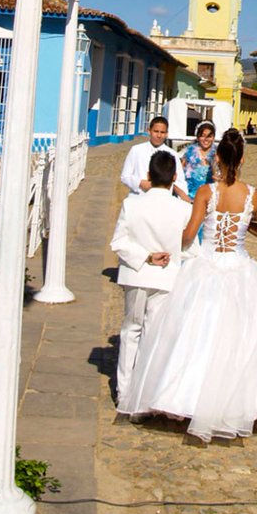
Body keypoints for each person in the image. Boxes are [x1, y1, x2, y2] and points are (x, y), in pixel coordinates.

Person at [119, 129, 257, 440]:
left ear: (219, 159)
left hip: (207, 264)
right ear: (243, 158)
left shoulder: (206, 193)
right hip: (239, 265)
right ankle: (239, 403)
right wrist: (241, 224)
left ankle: (185, 398)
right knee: (240, 337)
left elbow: (189, 235)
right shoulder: (253, 195)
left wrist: (178, 244)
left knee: (196, 333)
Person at [110, 150, 194, 402]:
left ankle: (124, 390)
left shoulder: (132, 204)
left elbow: (118, 242)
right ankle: (147, 391)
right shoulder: (182, 209)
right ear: (174, 177)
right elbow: (190, 249)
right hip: (167, 278)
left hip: (136, 275)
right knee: (155, 333)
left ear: (148, 175)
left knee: (131, 330)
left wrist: (145, 256)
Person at [120, 116, 188, 199]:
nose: (159, 135)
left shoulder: (172, 154)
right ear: (149, 131)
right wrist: (140, 183)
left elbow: (180, 180)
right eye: (156, 131)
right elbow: (125, 176)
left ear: (166, 134)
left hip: (163, 200)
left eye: (162, 132)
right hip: (138, 197)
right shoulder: (136, 150)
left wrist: (182, 196)